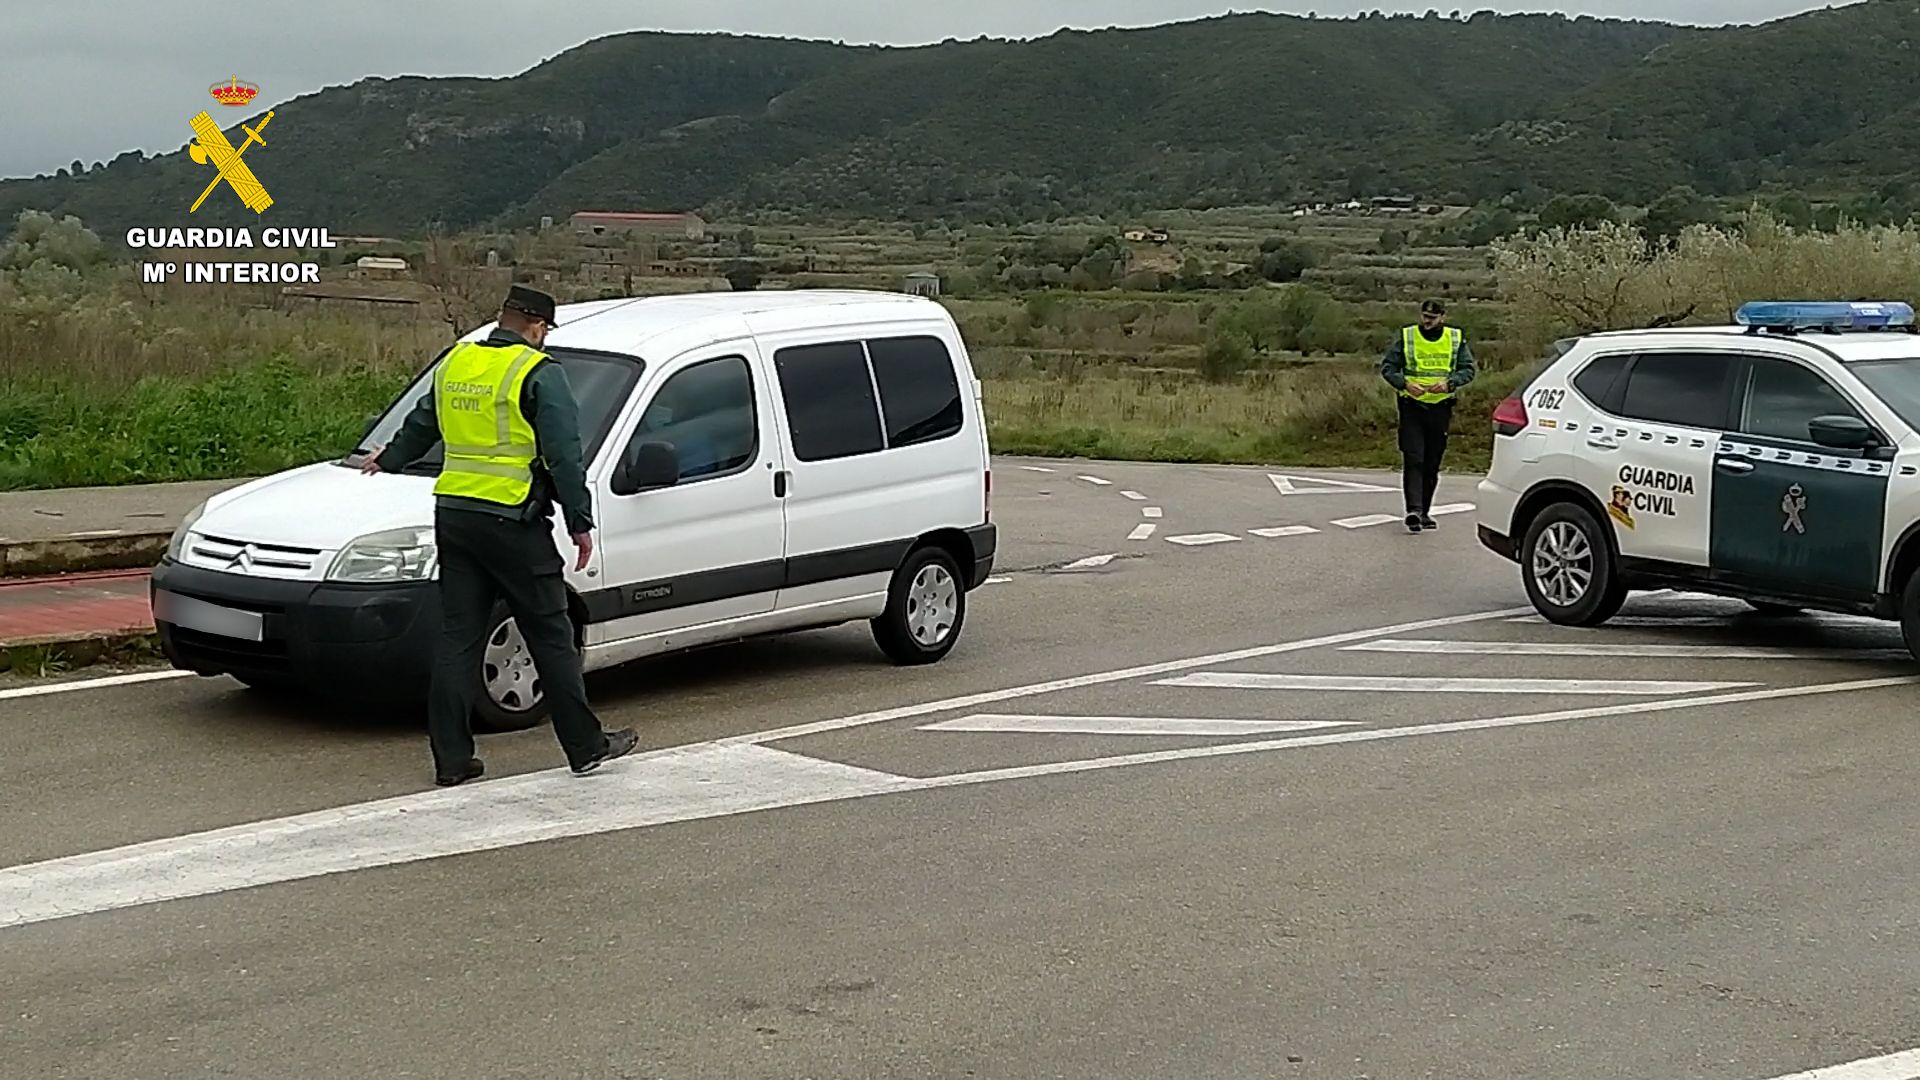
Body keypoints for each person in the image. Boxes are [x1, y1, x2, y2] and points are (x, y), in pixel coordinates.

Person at [360, 284, 638, 786]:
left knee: (457, 638)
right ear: (536, 327)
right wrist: (579, 520)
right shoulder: (538, 372)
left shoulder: (457, 363)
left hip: (455, 516)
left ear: (501, 318)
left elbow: (423, 423)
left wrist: (391, 458)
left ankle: (452, 760)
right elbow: (563, 453)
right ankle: (585, 746)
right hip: (512, 521)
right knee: (551, 634)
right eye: (544, 331)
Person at [1379, 298, 1475, 533]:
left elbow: (1468, 370)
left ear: (1443, 317)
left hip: (1441, 408)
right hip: (1411, 406)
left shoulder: (1455, 338)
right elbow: (1388, 368)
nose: (1427, 321)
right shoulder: (1407, 336)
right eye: (1424, 317)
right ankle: (1413, 510)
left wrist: (1450, 384)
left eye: (1432, 318)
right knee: (1414, 458)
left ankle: (1424, 511)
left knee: (1432, 462)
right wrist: (1404, 384)